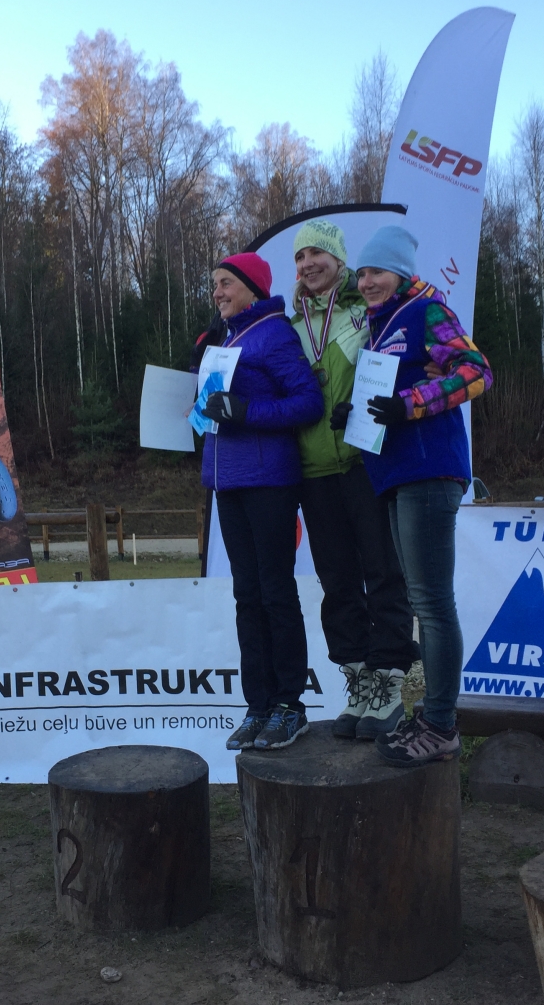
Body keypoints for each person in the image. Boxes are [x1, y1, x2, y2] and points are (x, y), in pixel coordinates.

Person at [332, 226, 491, 767]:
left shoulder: (427, 311)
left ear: (400, 273)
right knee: (424, 601)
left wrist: (411, 403)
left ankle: (441, 725)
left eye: (376, 271)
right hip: (395, 474)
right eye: (361, 273)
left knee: (432, 605)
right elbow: (387, 395)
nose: (366, 281)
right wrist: (353, 413)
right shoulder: (378, 328)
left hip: (429, 470)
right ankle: (430, 719)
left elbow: (476, 372)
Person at [289, 220, 420, 741]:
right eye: (300, 257)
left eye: (317, 254)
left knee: (384, 573)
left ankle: (390, 683)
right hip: (313, 469)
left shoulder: (366, 313)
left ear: (340, 260)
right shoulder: (290, 323)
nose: (308, 264)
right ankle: (360, 681)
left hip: (366, 463)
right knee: (337, 582)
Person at [194, 252, 324, 751]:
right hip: (227, 483)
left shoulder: (274, 333)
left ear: (252, 286)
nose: (217, 292)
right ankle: (259, 704)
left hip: (269, 480)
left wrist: (246, 410)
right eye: (214, 284)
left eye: (225, 283)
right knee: (246, 596)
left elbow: (307, 402)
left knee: (275, 592)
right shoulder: (227, 338)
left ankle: (290, 705)